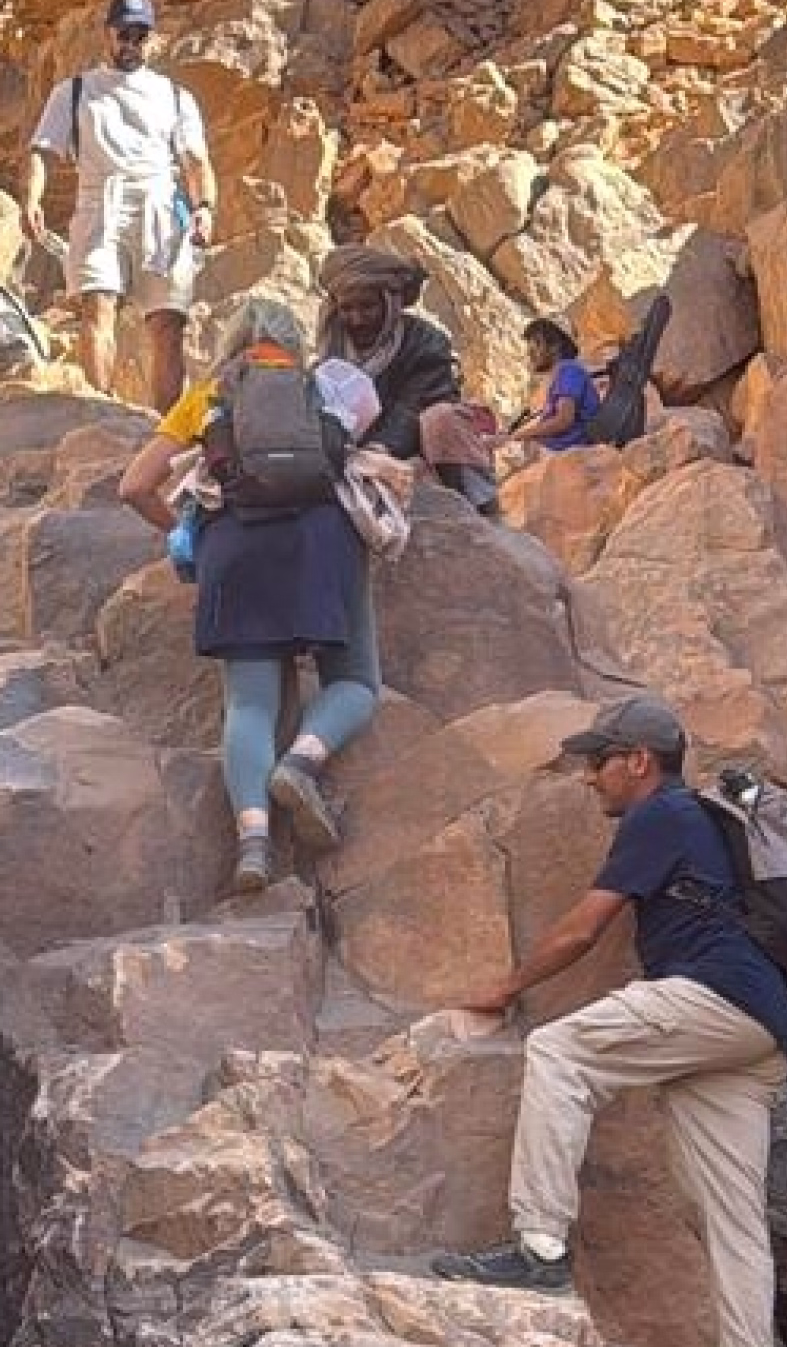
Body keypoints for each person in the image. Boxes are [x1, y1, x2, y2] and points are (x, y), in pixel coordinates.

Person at [429, 694, 787, 1347]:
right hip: (764, 1029)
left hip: (715, 995)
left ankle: (539, 1247)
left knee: (560, 1052)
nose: (587, 776)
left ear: (639, 761)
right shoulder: (704, 822)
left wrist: (505, 986)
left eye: (598, 761)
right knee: (730, 1214)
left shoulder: (662, 813)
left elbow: (583, 927)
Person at [117, 297, 381, 892]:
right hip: (323, 544)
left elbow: (134, 486)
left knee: (250, 706)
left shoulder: (207, 396)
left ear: (232, 343)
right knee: (356, 681)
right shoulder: (329, 387)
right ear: (295, 343)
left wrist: (182, 532)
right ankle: (301, 762)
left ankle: (254, 846)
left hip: (235, 545)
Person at [22, 0, 216, 413]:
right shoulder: (74, 92)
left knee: (167, 321)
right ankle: (103, 412)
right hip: (99, 204)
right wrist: (32, 199)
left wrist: (203, 208)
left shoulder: (174, 96)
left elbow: (196, 161)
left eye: (140, 35)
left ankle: (166, 427)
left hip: (160, 207)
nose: (131, 43)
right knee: (98, 305)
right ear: (107, 35)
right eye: (124, 34)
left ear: (152, 39)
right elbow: (42, 150)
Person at [316, 244, 499, 513]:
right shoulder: (333, 351)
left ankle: (481, 510)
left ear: (389, 303)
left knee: (442, 418)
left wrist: (380, 451)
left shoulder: (427, 341)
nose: (357, 319)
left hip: (419, 450)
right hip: (356, 454)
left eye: (367, 307)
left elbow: (412, 406)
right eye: (347, 309)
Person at [511, 316, 602, 453]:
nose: (530, 351)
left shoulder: (569, 370)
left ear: (555, 346)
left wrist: (521, 435)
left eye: (537, 343)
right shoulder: (563, 373)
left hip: (570, 451)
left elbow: (563, 419)